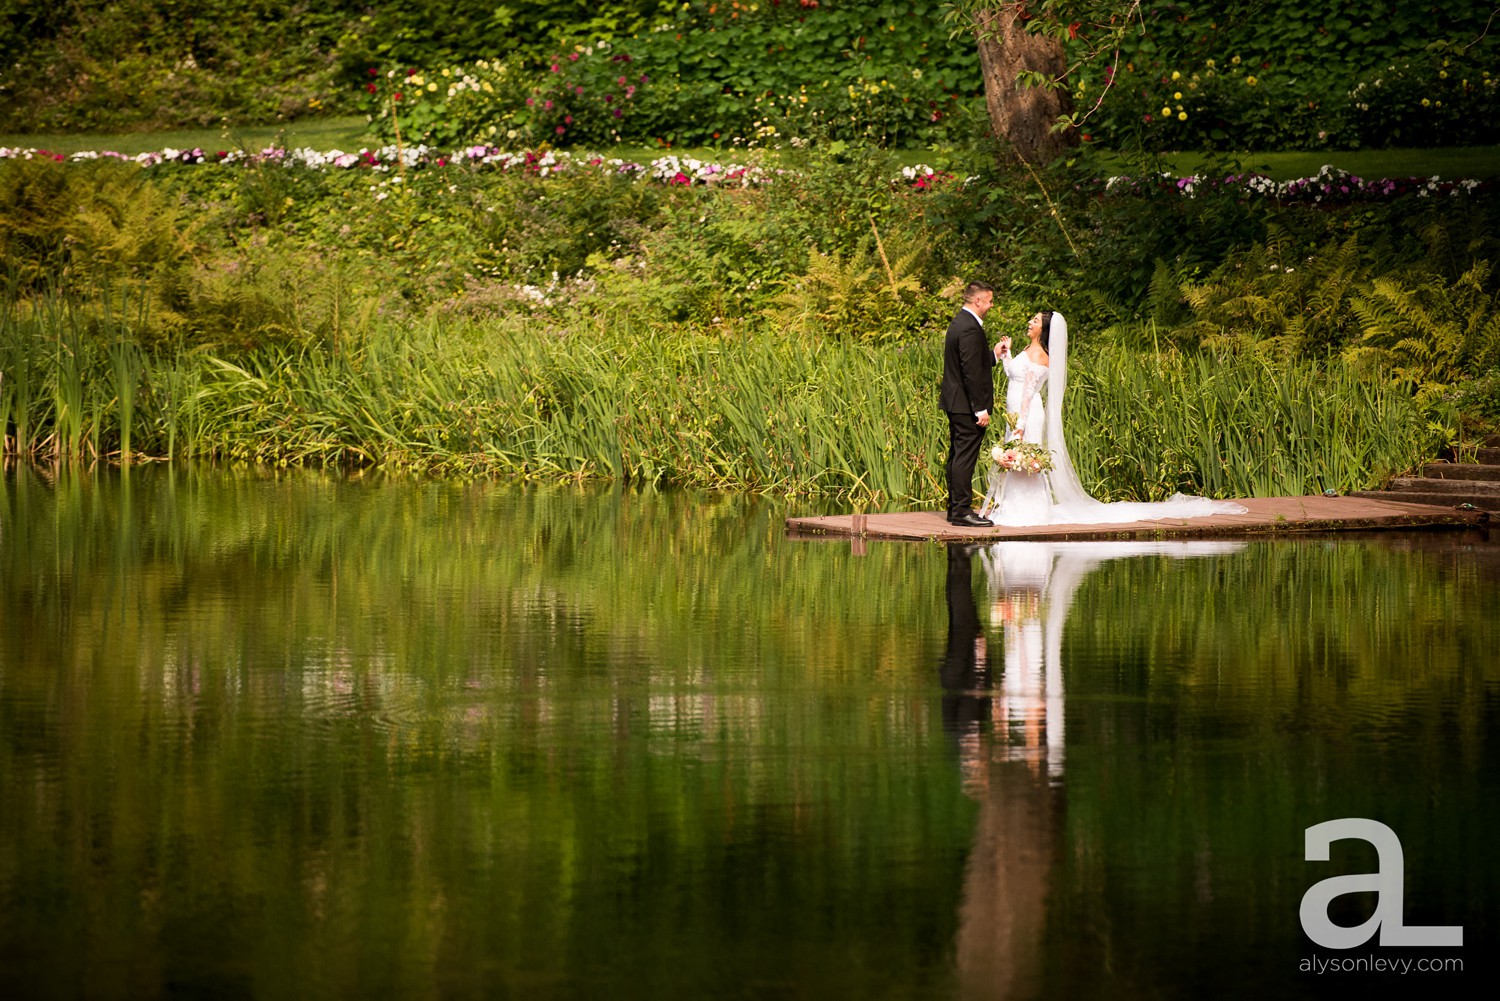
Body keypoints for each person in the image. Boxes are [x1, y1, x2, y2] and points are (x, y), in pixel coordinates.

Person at [980, 309, 1249, 525]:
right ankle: (1011, 507)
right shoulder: (1027, 350)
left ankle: (1028, 512)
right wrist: (1005, 355)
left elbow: (1028, 393)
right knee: (1017, 458)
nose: (1030, 322)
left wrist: (1021, 426)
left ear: (1045, 329)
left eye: (1035, 320)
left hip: (1026, 413)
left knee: (1025, 457)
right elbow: (1013, 376)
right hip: (1014, 412)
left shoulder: (1041, 355)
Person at [940, 281, 1006, 527]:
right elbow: (969, 372)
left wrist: (993, 355)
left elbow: (970, 361)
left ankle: (954, 509)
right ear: (978, 301)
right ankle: (961, 512)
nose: (991, 305)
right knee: (964, 457)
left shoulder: (960, 322)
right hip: (966, 405)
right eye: (989, 301)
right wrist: (980, 408)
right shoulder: (969, 327)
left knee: (958, 455)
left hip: (956, 402)